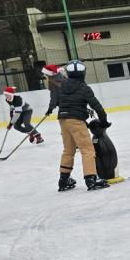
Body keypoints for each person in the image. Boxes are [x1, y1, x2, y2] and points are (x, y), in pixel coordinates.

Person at [45, 60, 109, 191]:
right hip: (76, 120)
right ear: (83, 74)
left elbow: (60, 101)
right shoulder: (84, 88)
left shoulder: (62, 86)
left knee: (68, 150)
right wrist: (104, 121)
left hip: (63, 119)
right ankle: (91, 179)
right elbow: (97, 107)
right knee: (87, 150)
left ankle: (63, 180)